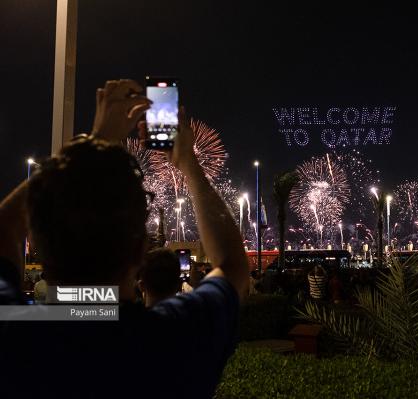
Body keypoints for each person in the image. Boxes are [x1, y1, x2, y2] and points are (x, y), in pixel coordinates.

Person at [0, 79, 249, 398]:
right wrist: (189, 163)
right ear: (139, 251)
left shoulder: (15, 334)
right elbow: (232, 264)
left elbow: (3, 231)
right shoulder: (174, 342)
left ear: (37, 243)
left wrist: (92, 143)